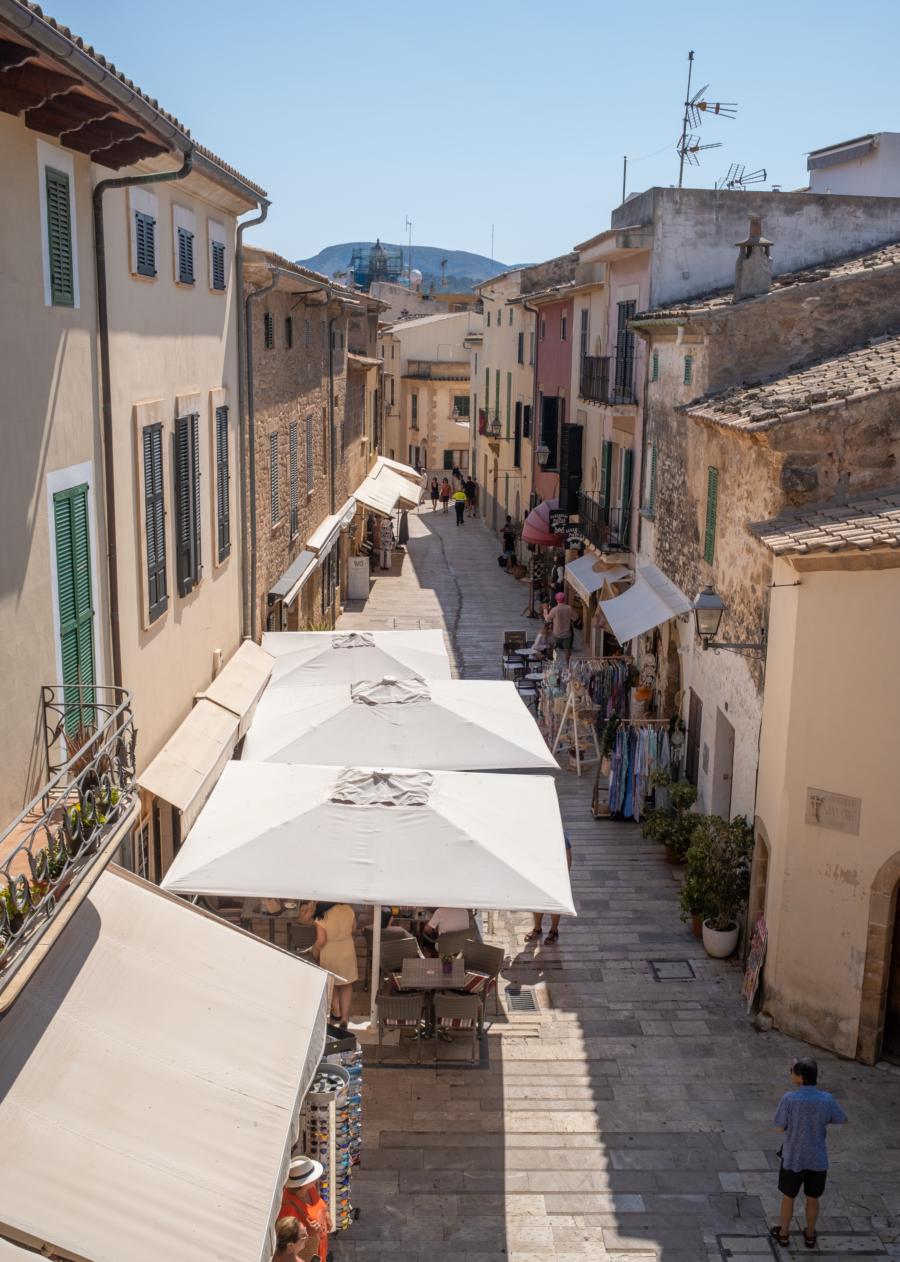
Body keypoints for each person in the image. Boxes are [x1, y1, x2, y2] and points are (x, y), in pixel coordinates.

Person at [770, 1057, 847, 1250]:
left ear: (801, 1078)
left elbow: (779, 1128)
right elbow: (840, 1119)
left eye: (793, 1071)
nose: (791, 1073)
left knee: (788, 1197)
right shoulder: (826, 1099)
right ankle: (810, 1235)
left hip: (793, 1158)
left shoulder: (789, 1099)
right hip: (818, 1159)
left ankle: (784, 1234)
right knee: (813, 1198)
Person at [314, 902, 358, 1028]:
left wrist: (314, 950)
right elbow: (353, 928)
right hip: (347, 950)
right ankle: (345, 1018)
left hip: (330, 952)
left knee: (332, 984)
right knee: (346, 985)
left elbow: (321, 941)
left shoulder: (322, 914)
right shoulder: (348, 909)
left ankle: (336, 1012)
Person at [280, 1157, 331, 1262]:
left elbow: (318, 1204)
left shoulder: (310, 1189)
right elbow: (288, 1244)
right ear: (303, 1184)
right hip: (308, 1256)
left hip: (320, 1249)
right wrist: (309, 1232)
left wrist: (326, 1214)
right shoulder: (288, 1207)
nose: (316, 1177)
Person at [526, 832, 572, 944]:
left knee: (554, 904)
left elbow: (567, 853)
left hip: (555, 873)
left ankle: (554, 930)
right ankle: (537, 928)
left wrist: (565, 876)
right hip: (538, 871)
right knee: (537, 901)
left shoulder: (558, 832)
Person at [546, 591, 575, 663]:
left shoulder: (554, 609)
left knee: (552, 648)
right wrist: (570, 620)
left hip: (556, 634)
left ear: (556, 600)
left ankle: (552, 663)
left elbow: (548, 619)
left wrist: (545, 613)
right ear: (564, 599)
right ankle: (567, 665)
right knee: (567, 650)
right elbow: (576, 617)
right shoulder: (569, 608)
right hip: (567, 634)